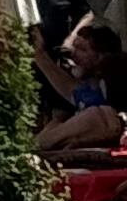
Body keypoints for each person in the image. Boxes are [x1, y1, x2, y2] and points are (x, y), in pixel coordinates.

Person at [38, 17, 126, 154]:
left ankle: (33, 148)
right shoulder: (91, 85)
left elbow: (93, 106)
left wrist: (41, 57)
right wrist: (39, 55)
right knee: (58, 118)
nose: (73, 54)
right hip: (98, 132)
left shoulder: (115, 76)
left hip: (117, 128)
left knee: (99, 115)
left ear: (101, 56)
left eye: (82, 49)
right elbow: (74, 91)